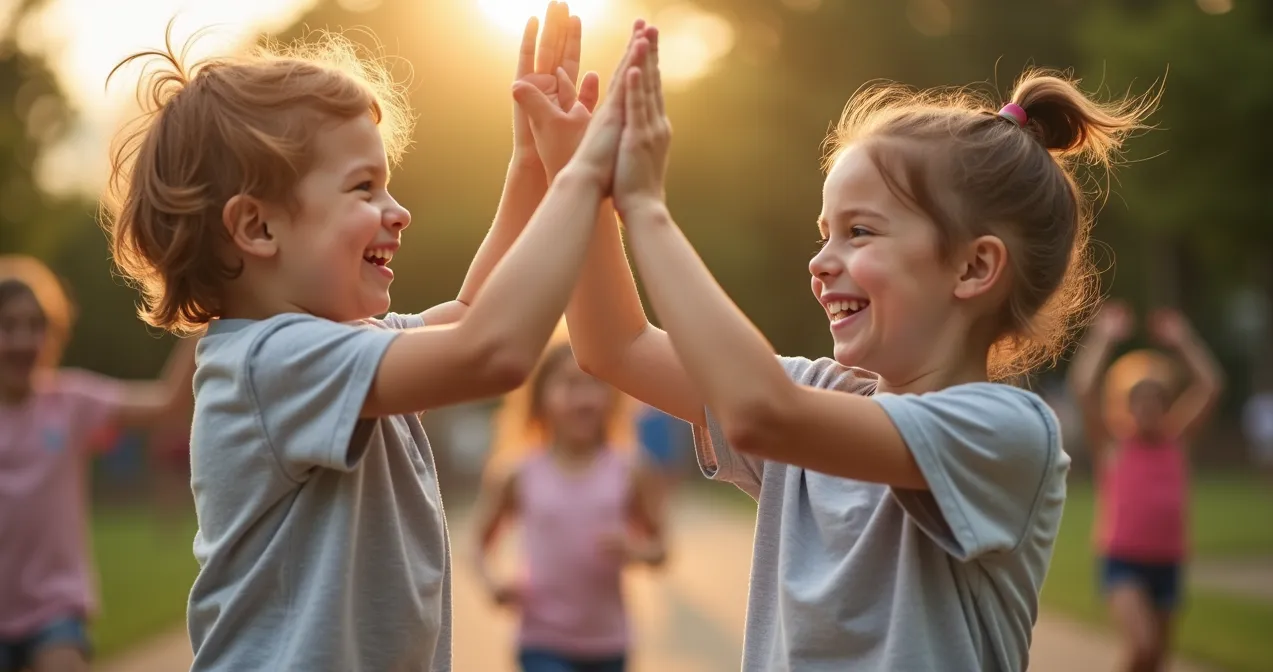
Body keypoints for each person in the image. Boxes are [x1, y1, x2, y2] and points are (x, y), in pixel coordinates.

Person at [519, 22, 1157, 667]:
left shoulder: (1006, 433)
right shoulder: (815, 393)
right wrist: (577, 179)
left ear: (973, 268)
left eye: (860, 232)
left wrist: (648, 209)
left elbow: (761, 413)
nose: (822, 262)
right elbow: (616, 346)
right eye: (825, 233)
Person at [99, 5, 654, 670]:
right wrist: (583, 172)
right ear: (258, 227)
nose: (399, 212)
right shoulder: (268, 362)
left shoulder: (340, 344)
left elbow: (476, 311)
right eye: (364, 188)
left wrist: (532, 164)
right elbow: (491, 348)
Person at [0, 255, 196, 672]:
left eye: (35, 326)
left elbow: (166, 402)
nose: (23, 339)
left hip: (54, 608)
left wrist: (206, 313)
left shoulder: (70, 403)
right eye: (8, 326)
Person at [472, 339, 665, 672]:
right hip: (540, 640)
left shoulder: (631, 470)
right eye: (569, 384)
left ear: (612, 398)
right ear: (540, 397)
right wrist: (493, 583)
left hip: (609, 643)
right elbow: (477, 544)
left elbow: (662, 548)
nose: (584, 398)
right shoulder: (517, 473)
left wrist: (637, 551)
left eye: (594, 386)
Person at [1068, 301, 1223, 672]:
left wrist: (1183, 340)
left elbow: (1211, 385)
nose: (1149, 408)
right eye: (1141, 400)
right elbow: (1083, 388)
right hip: (1123, 561)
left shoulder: (1177, 440)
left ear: (1167, 405)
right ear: (1129, 405)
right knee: (1142, 645)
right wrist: (1103, 337)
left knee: (1157, 659)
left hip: (1168, 560)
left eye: (1157, 400)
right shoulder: (1113, 444)